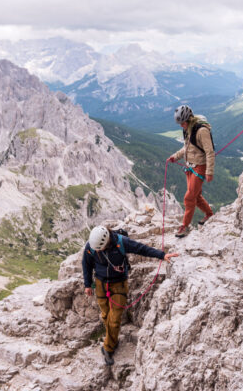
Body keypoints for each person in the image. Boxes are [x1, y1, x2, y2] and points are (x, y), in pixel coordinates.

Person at [82, 225, 178, 366]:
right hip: (101, 283)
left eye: (99, 249)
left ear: (106, 242)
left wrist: (162, 255)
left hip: (119, 284)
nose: (97, 251)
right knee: (105, 315)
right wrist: (87, 284)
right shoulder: (91, 246)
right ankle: (113, 338)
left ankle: (108, 348)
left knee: (114, 319)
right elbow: (86, 264)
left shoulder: (121, 242)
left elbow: (141, 249)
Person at [167, 105, 215, 238]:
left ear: (189, 119)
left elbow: (210, 152)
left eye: (183, 123)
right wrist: (175, 156)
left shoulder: (201, 131)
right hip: (190, 167)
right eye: (180, 123)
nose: (181, 125)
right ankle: (210, 215)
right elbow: (187, 148)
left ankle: (185, 226)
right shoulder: (188, 129)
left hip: (199, 166)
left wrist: (209, 172)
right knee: (196, 196)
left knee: (189, 198)